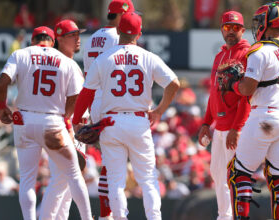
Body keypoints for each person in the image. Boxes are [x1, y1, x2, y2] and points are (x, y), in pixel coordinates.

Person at [72, 12, 180, 220]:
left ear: (119, 30)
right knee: (148, 178)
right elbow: (173, 83)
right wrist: (158, 110)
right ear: (139, 34)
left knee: (115, 181)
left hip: (111, 122)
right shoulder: (148, 57)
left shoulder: (104, 58)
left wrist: (77, 120)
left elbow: (87, 93)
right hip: (139, 121)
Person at [0, 26, 92, 220]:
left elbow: (2, 81)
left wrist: (1, 106)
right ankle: (87, 218)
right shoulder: (66, 61)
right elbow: (76, 96)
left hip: (24, 120)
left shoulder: (21, 54)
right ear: (53, 40)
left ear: (33, 40)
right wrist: (66, 115)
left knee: (27, 180)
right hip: (52, 121)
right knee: (73, 174)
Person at [226, 2, 279, 220]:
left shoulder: (259, 51)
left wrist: (233, 83)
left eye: (260, 21)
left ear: (267, 23)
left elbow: (247, 89)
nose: (257, 25)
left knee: (238, 172)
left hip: (265, 115)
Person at [82, 0, 134, 219]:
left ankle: (106, 214)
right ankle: (108, 215)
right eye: (130, 16)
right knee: (116, 166)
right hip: (113, 103)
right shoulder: (119, 38)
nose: (132, 21)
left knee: (110, 163)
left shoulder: (92, 38)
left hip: (96, 102)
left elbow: (88, 78)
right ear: (122, 16)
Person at [197, 10, 250, 220]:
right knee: (217, 174)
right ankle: (224, 216)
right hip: (219, 126)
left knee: (234, 176)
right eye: (227, 27)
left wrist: (237, 128)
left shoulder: (247, 54)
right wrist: (206, 122)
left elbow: (247, 96)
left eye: (236, 27)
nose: (231, 31)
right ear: (221, 29)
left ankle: (237, 216)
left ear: (243, 30)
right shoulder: (219, 56)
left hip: (236, 126)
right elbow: (213, 92)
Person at [39, 20, 87, 220]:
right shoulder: (64, 63)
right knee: (61, 180)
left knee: (67, 185)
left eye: (78, 34)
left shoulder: (55, 62)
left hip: (62, 125)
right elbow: (72, 102)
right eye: (72, 35)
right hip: (65, 126)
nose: (77, 38)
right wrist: (70, 124)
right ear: (59, 38)